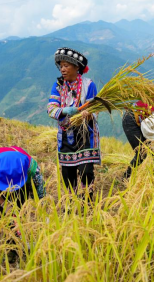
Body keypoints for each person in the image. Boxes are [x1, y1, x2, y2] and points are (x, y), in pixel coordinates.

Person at [47, 47, 101, 199]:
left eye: (66, 66)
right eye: (61, 66)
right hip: (66, 136)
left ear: (77, 67)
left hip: (85, 134)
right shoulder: (58, 86)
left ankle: (88, 204)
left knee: (86, 171)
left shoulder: (89, 85)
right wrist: (65, 111)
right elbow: (51, 109)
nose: (62, 69)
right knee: (67, 172)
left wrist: (87, 114)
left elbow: (94, 110)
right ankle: (70, 203)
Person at [0, 146, 46, 214]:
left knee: (20, 203)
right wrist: (5, 205)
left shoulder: (32, 170)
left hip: (21, 169)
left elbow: (40, 196)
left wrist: (43, 214)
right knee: (2, 211)